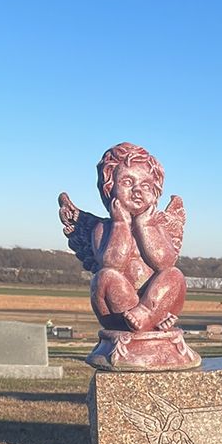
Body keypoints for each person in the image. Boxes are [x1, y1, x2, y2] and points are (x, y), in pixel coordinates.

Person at [59, 143, 186, 333]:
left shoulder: (156, 226)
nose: (137, 190)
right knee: (105, 277)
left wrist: (146, 226)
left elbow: (164, 262)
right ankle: (142, 322)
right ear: (109, 189)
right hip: (120, 311)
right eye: (127, 182)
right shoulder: (103, 228)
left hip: (152, 304)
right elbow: (113, 263)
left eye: (145, 185)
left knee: (174, 275)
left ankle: (150, 316)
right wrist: (121, 224)